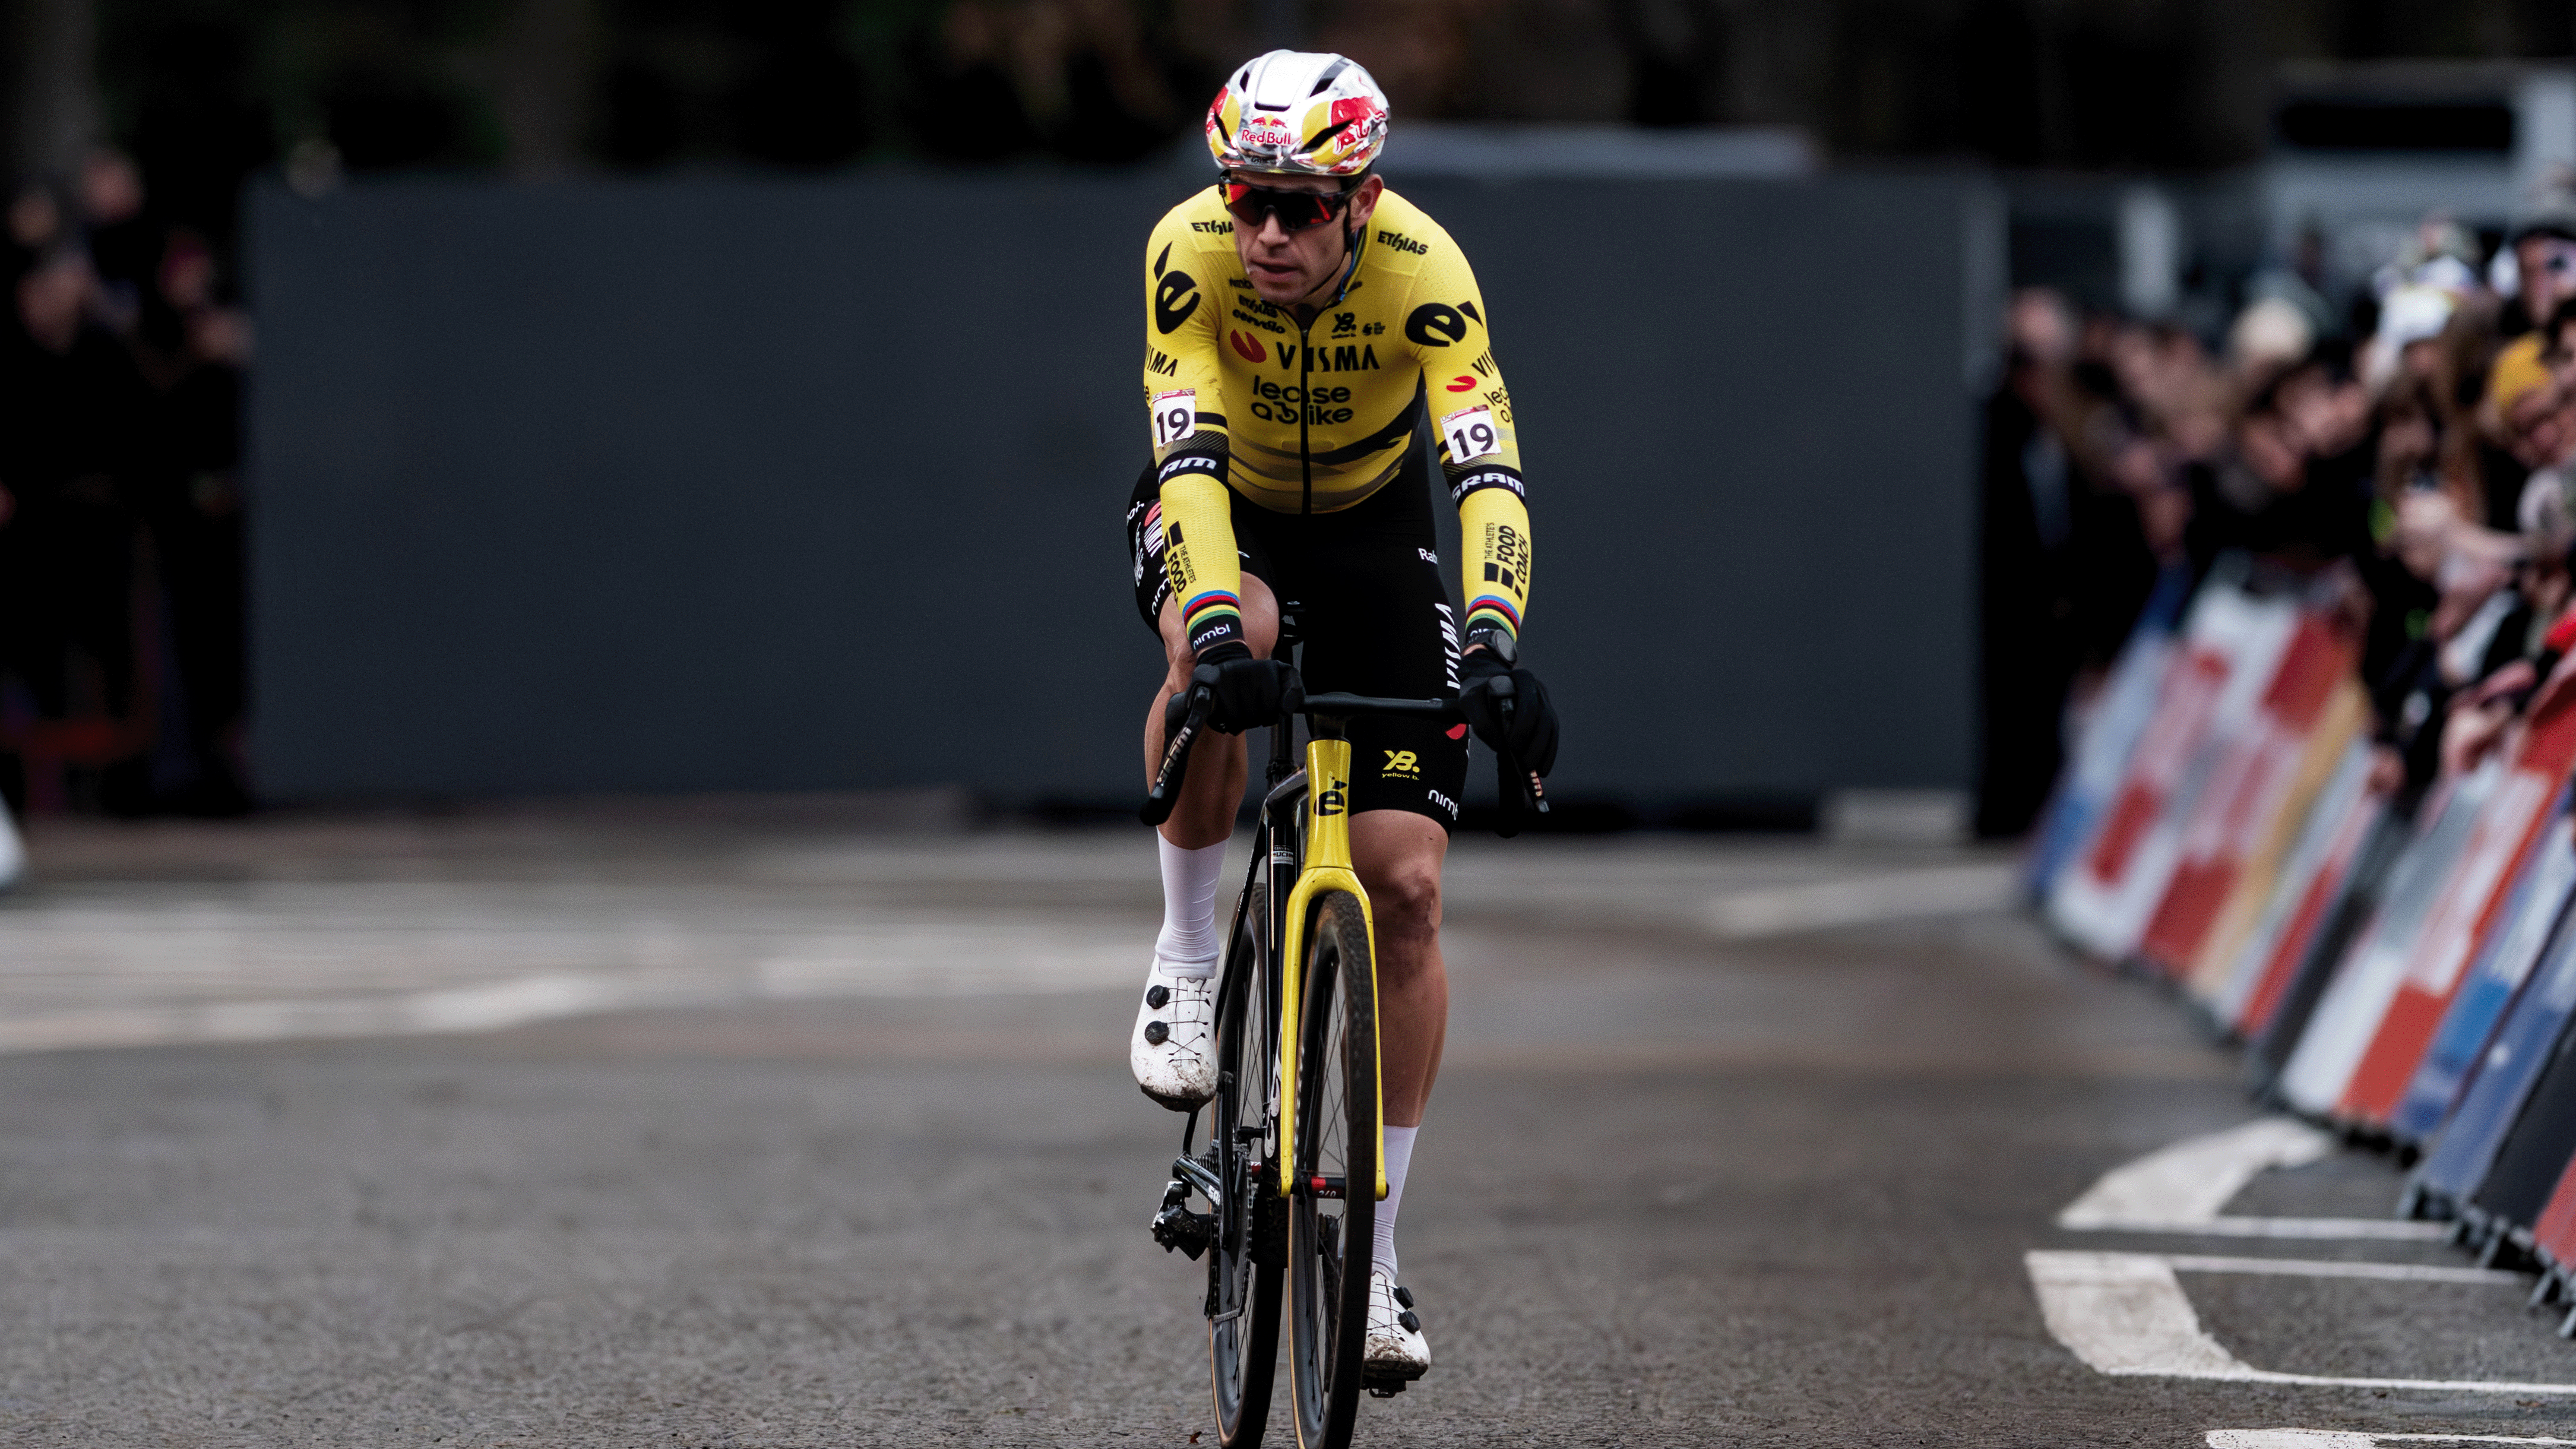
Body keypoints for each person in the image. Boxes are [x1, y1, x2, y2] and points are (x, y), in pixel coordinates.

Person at [1121, 49, 1559, 1384]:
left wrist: (1491, 643)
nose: (1266, 232)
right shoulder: (1186, 255)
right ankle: (1191, 955)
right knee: (1239, 637)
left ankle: (1370, 1263)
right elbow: (1186, 463)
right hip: (1224, 512)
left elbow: (1486, 471)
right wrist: (1206, 630)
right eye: (1248, 197)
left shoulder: (1428, 271)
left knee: (1408, 887)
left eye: (1300, 207)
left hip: (1373, 530)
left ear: (1359, 203)